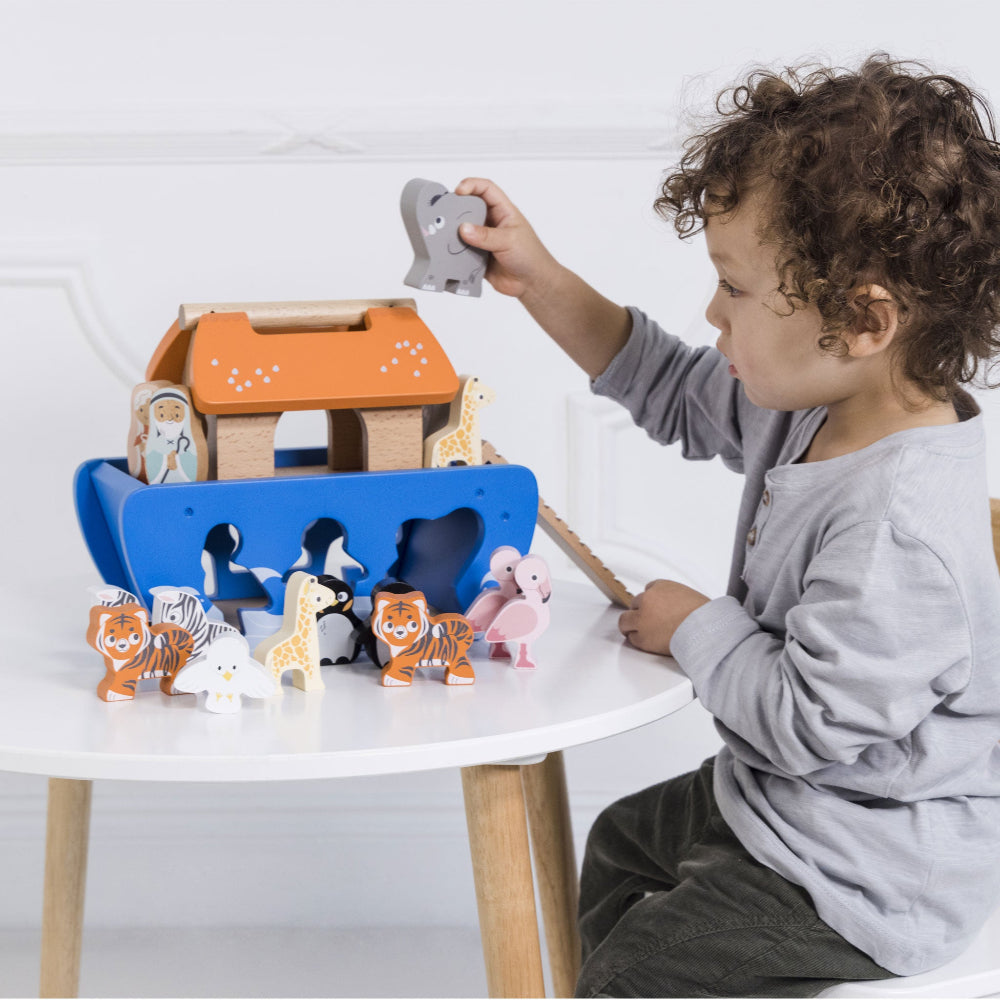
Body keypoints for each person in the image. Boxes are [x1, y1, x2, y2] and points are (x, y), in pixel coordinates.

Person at [455, 54, 1000, 998]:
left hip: (863, 870)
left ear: (862, 320)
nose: (712, 312)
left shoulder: (900, 530)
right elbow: (666, 385)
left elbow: (805, 725)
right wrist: (540, 278)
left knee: (642, 972)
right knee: (624, 842)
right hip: (787, 810)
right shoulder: (816, 404)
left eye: (736, 289)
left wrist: (695, 625)